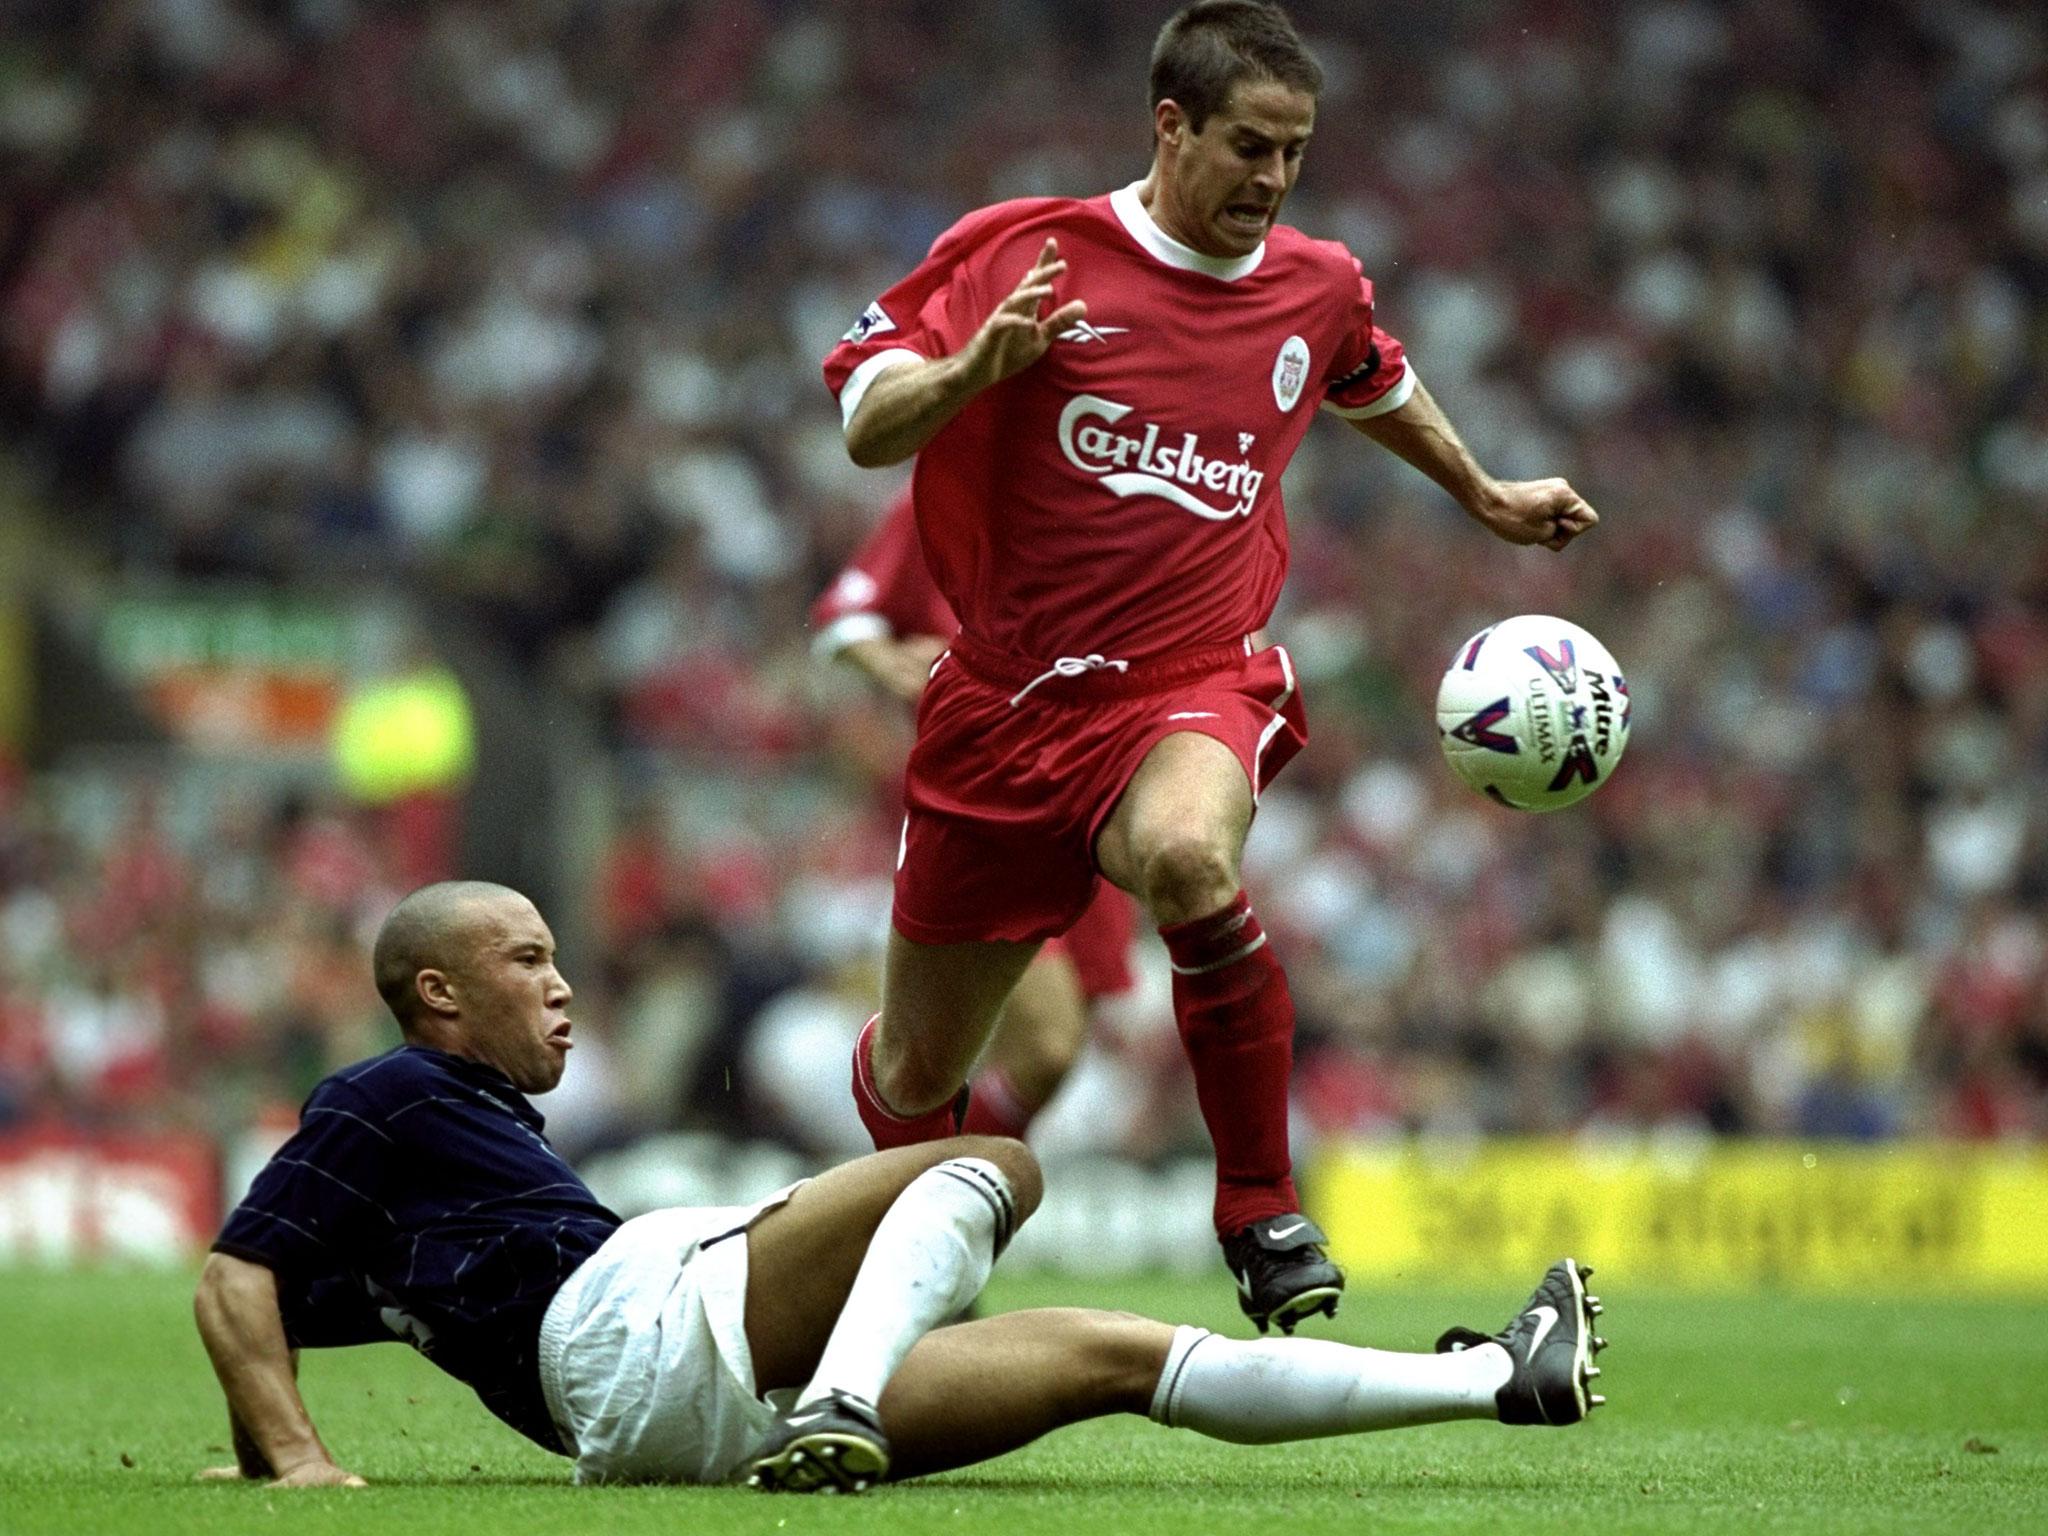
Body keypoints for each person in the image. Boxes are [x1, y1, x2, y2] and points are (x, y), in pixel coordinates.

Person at [821, 0, 1601, 1333]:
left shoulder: (1318, 281)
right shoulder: (1023, 252)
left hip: (1189, 680)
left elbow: (1371, 379)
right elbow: (863, 422)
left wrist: (1481, 492)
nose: (1273, 178)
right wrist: (972, 367)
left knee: (1191, 855)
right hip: (1001, 710)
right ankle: (898, 1286)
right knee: (912, 1071)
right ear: (1169, 125)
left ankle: (1260, 1205)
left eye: (1295, 152)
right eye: (1250, 145)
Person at [193, 880, 1607, 1494]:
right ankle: (849, 1399)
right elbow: (237, 1270)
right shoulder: (390, 1092)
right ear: (435, 990)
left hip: (672, 1424)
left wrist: (266, 1436)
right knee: (993, 1163)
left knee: (1116, 1355)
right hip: (644, 1328)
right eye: (526, 961)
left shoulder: (451, 1155)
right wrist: (300, 1459)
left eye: (558, 959)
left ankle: (1498, 1380)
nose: (563, 988)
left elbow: (296, 1296)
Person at [812, 486, 1139, 1141]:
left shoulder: (1113, 494)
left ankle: (939, 1192)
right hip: (993, 813)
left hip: (1090, 810)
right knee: (1040, 1044)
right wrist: (888, 663)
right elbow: (845, 616)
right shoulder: (946, 498)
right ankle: (917, 1191)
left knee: (1054, 1055)